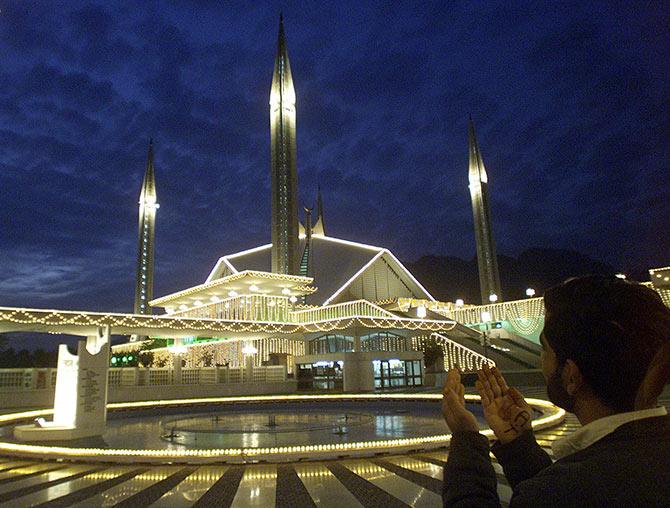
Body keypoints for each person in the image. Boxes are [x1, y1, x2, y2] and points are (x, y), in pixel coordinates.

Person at [441, 275, 670, 507]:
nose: (543, 362)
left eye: (545, 350)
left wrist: (466, 438)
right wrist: (519, 446)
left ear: (571, 375)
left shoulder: (562, 491)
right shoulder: (644, 460)